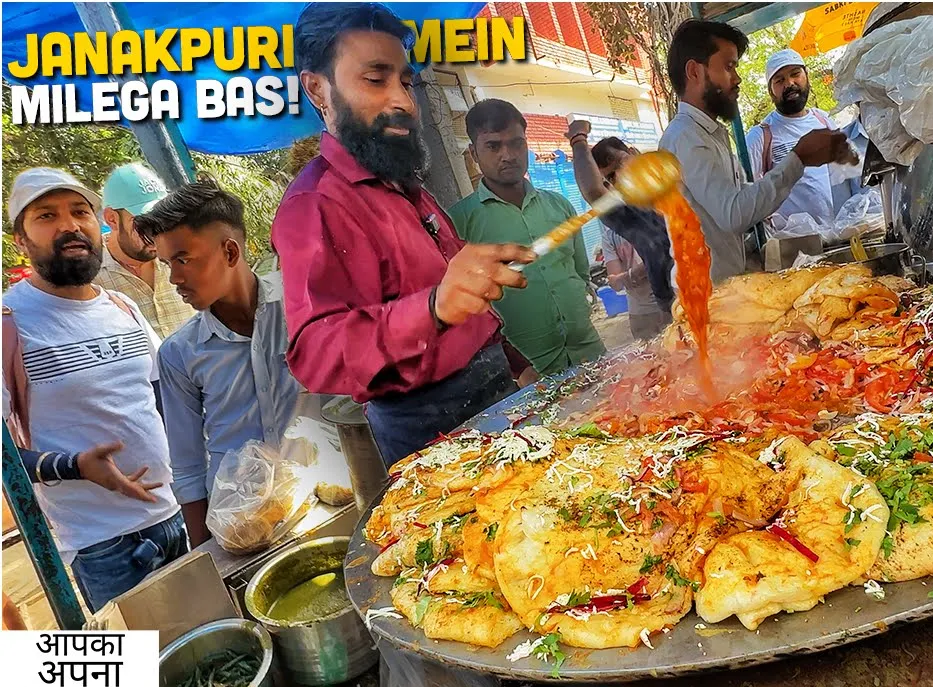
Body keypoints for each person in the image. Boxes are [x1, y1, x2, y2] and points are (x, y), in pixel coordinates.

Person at [273, 2, 535, 468]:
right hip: (429, 434)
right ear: (317, 89)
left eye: (407, 82)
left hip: (502, 394)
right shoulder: (314, 206)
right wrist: (432, 307)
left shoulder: (408, 190)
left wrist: (516, 364)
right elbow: (314, 353)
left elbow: (467, 310)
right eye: (376, 80)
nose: (403, 100)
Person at [2, 167, 185, 613]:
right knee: (155, 674)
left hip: (179, 514)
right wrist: (74, 465)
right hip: (104, 546)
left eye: (79, 211)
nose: (69, 225)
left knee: (221, 646)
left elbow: (164, 400)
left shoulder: (122, 309)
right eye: (46, 216)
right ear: (20, 240)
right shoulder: (11, 324)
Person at [137, 179, 302, 548]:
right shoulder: (180, 354)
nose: (175, 278)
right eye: (167, 264)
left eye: (183, 260)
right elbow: (188, 465)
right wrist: (207, 557)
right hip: (244, 523)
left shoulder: (302, 304)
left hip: (325, 492)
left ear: (230, 252)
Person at [659, 20, 855, 283]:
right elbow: (734, 214)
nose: (737, 78)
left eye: (736, 67)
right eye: (729, 67)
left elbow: (734, 212)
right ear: (695, 71)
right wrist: (798, 159)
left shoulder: (709, 133)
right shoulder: (685, 137)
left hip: (730, 288)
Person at [448, 99, 606, 376]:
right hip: (529, 373)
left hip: (590, 352)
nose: (507, 154)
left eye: (516, 143)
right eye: (493, 146)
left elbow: (580, 272)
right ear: (473, 153)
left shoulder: (559, 205)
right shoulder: (459, 223)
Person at [565, 126, 676, 318]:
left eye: (621, 163)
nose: (621, 177)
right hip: (677, 302)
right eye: (610, 177)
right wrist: (578, 140)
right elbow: (593, 192)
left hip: (721, 281)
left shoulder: (680, 183)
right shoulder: (630, 213)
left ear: (634, 153)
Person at [95, 163, 195, 339]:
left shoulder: (184, 257)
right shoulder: (90, 278)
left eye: (161, 218)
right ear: (112, 219)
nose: (155, 231)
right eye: (142, 222)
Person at [745, 49, 842, 229]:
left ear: (807, 76)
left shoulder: (825, 122)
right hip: (795, 247)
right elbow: (746, 196)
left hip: (840, 235)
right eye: (779, 80)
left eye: (795, 74)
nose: (789, 83)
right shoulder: (760, 137)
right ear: (771, 91)